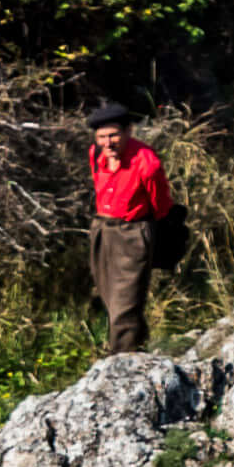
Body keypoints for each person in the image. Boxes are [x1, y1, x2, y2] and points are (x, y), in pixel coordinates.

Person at [83, 104, 177, 353]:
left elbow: (161, 205)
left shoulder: (147, 163)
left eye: (113, 135)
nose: (108, 142)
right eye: (102, 136)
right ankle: (139, 348)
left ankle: (121, 362)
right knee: (110, 297)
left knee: (125, 304)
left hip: (132, 232)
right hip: (102, 229)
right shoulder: (96, 154)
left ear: (128, 131)